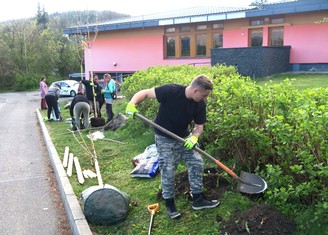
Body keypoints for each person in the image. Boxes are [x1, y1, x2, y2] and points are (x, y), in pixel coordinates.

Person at [125, 74, 220, 219]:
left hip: (184, 138)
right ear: (196, 91)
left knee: (197, 162)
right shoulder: (170, 91)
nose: (205, 98)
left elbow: (199, 126)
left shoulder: (200, 104)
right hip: (164, 138)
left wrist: (194, 137)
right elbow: (144, 93)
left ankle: (198, 199)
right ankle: (170, 204)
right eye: (204, 95)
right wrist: (132, 103)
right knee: (168, 169)